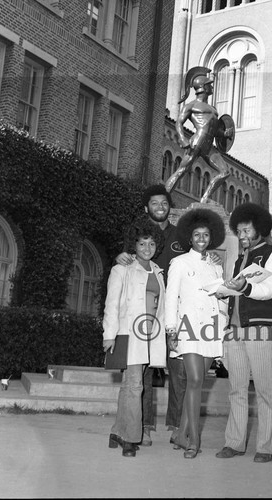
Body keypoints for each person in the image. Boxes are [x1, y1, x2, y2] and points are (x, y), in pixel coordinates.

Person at [115, 184, 186, 447]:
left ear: (170, 207)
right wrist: (120, 255)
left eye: (164, 203)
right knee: (142, 370)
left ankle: (177, 426)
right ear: (147, 208)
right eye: (154, 203)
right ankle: (142, 427)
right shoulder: (140, 234)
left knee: (178, 370)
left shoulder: (182, 235)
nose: (160, 207)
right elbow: (127, 263)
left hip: (175, 311)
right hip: (144, 312)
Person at [215, 203, 272, 463]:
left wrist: (245, 288)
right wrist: (223, 291)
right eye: (239, 230)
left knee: (265, 390)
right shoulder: (239, 258)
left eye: (247, 230)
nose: (242, 235)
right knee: (237, 389)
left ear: (260, 228)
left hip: (260, 328)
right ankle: (234, 443)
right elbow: (236, 293)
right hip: (234, 330)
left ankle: (266, 447)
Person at [165, 208, 228, 458]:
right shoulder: (179, 263)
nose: (201, 239)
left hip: (211, 329)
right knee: (195, 381)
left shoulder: (215, 266)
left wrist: (222, 328)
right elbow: (171, 299)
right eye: (196, 235)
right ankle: (194, 440)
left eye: (205, 235)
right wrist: (171, 329)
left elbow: (222, 299)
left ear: (210, 238)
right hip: (188, 328)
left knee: (198, 382)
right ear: (189, 239)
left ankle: (181, 434)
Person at [103, 218, 166, 457]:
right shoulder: (122, 269)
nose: (147, 248)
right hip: (129, 334)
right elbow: (112, 304)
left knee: (130, 385)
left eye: (151, 243)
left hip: (151, 336)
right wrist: (109, 335)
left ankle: (117, 430)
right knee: (135, 385)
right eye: (142, 244)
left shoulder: (159, 273)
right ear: (134, 245)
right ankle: (129, 438)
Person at [165, 66, 234, 203]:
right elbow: (179, 122)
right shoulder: (191, 106)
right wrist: (182, 138)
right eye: (209, 85)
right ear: (203, 87)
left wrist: (224, 133)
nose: (212, 87)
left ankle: (205, 199)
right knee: (182, 171)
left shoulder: (213, 109)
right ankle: (164, 198)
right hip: (198, 141)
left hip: (209, 145)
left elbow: (214, 129)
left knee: (225, 172)